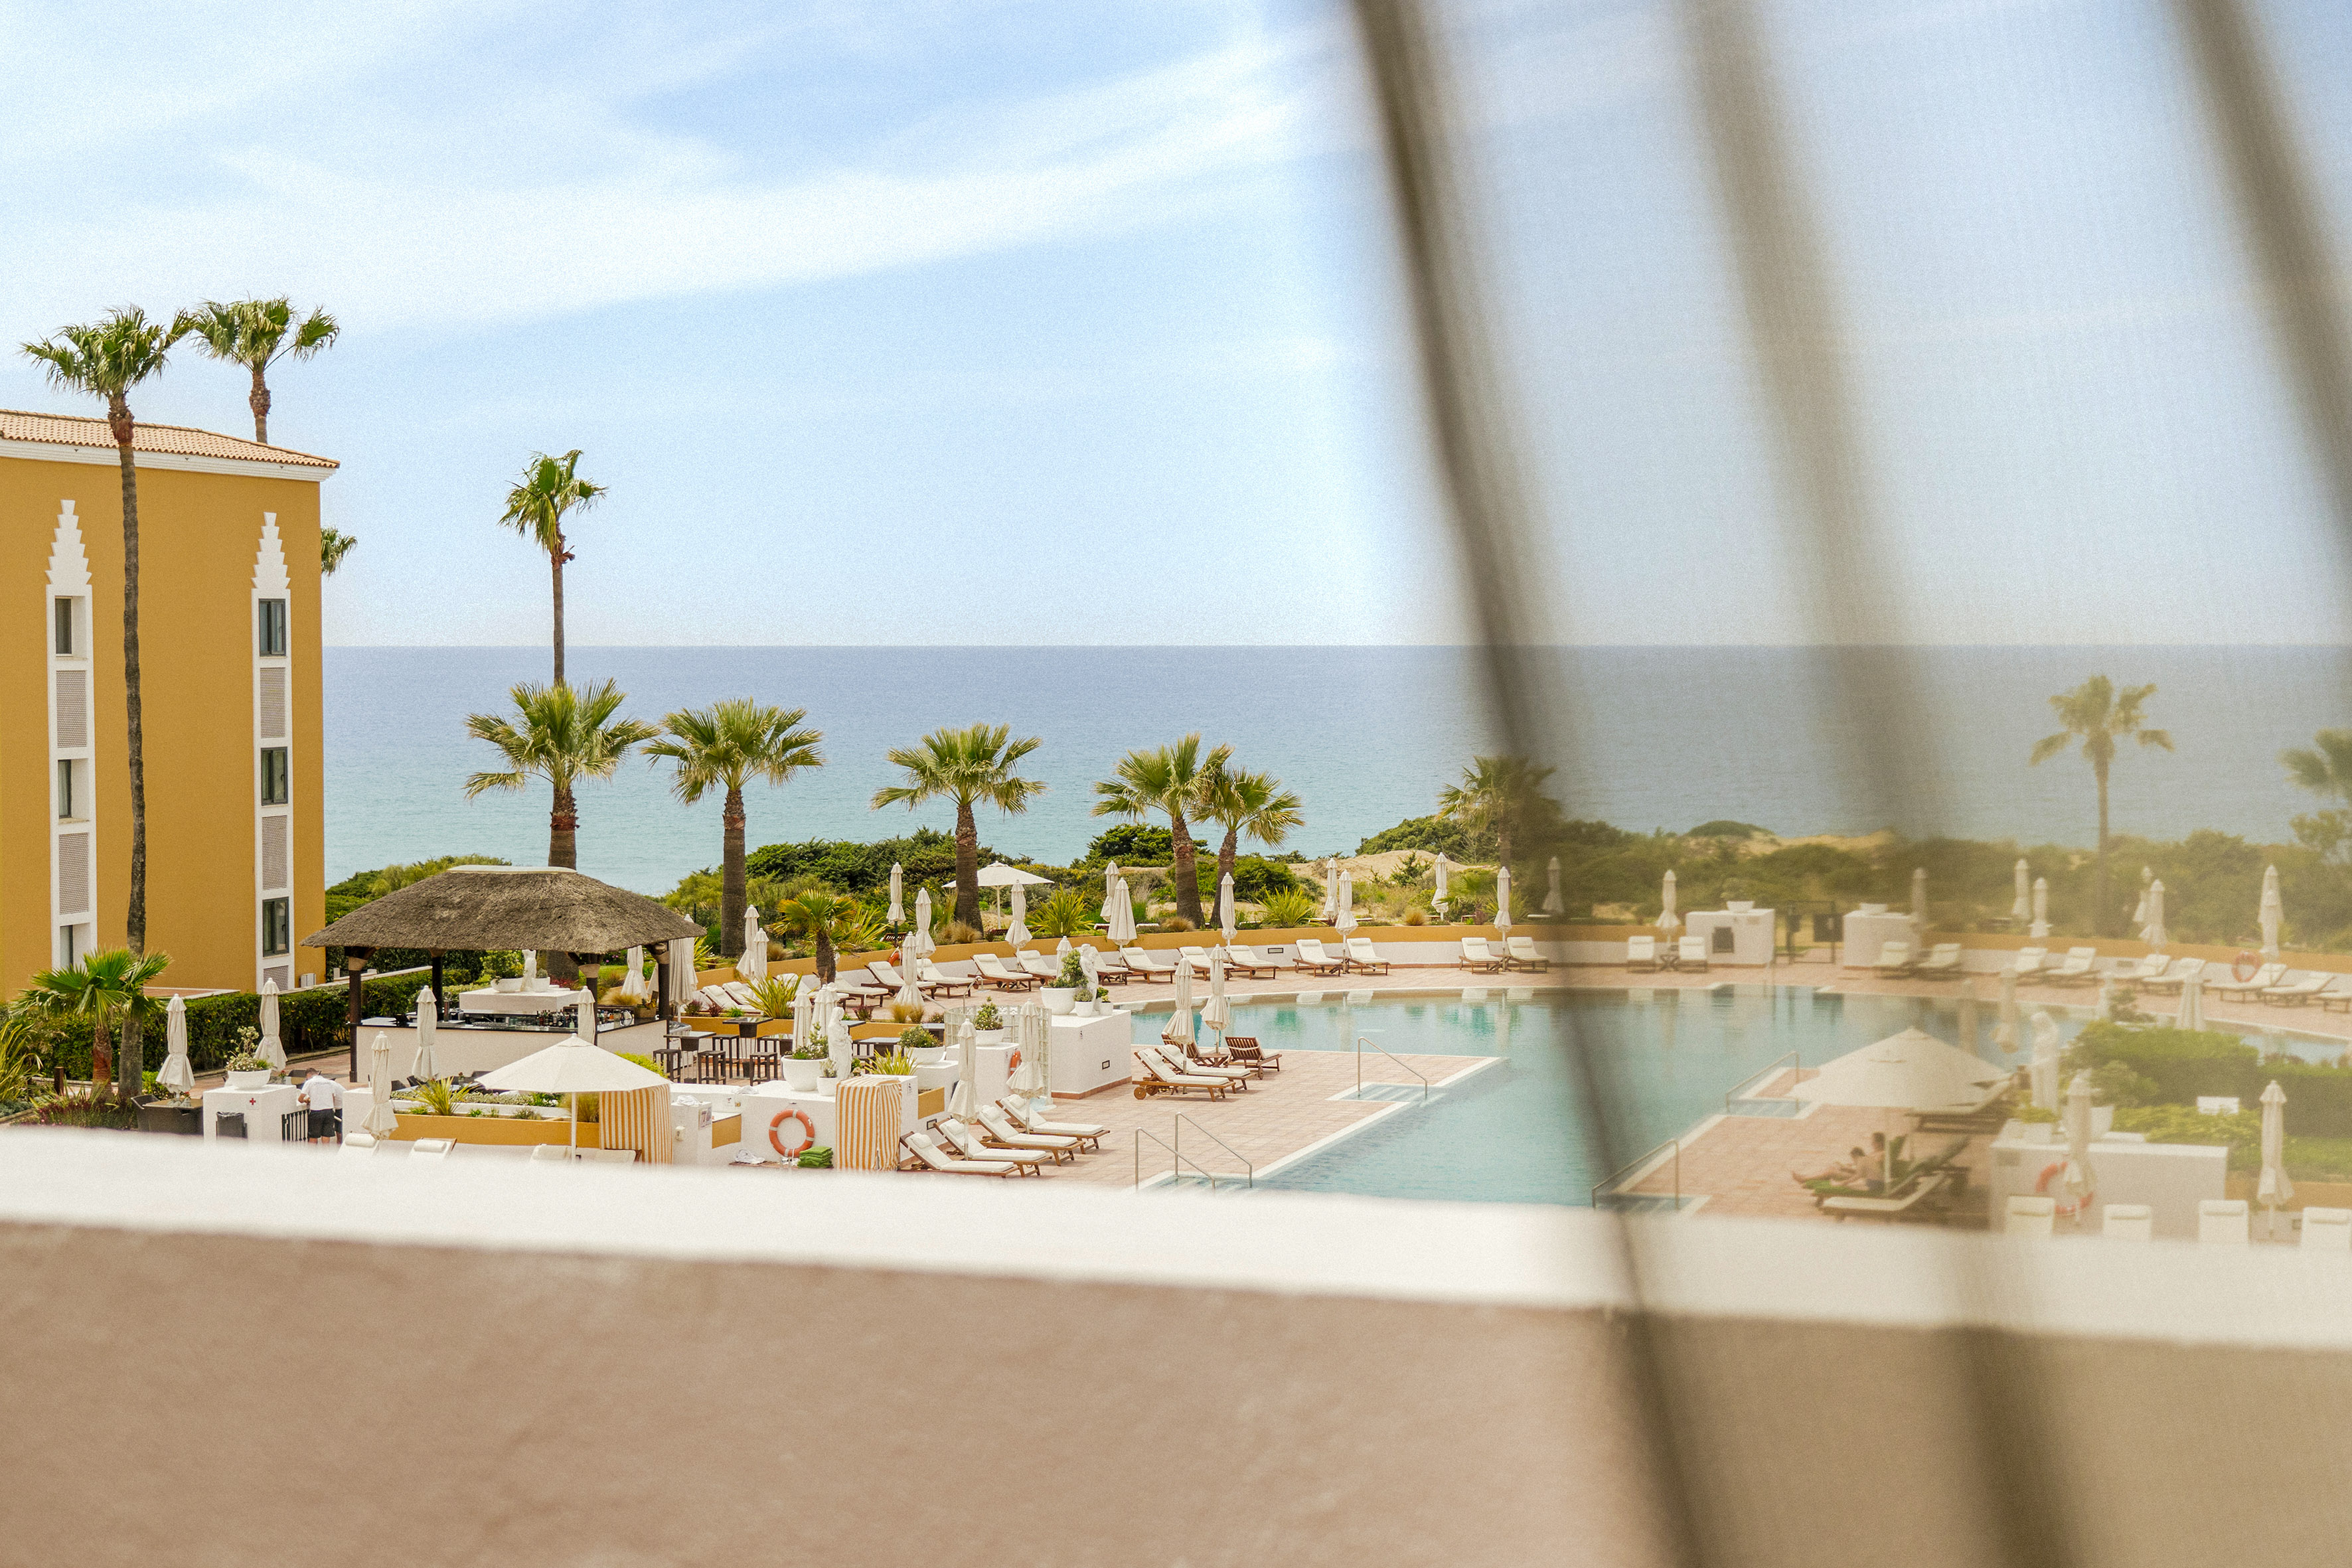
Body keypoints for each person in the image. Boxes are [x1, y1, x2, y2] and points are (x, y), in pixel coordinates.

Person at [299, 1071, 343, 1142]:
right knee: (326, 1135)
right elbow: (332, 1098)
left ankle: (311, 1153)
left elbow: (300, 1099)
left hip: (316, 1111)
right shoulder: (329, 1082)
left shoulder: (310, 1082)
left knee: (313, 1136)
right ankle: (325, 1153)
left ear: (309, 1076)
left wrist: (306, 1101)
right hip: (329, 1111)